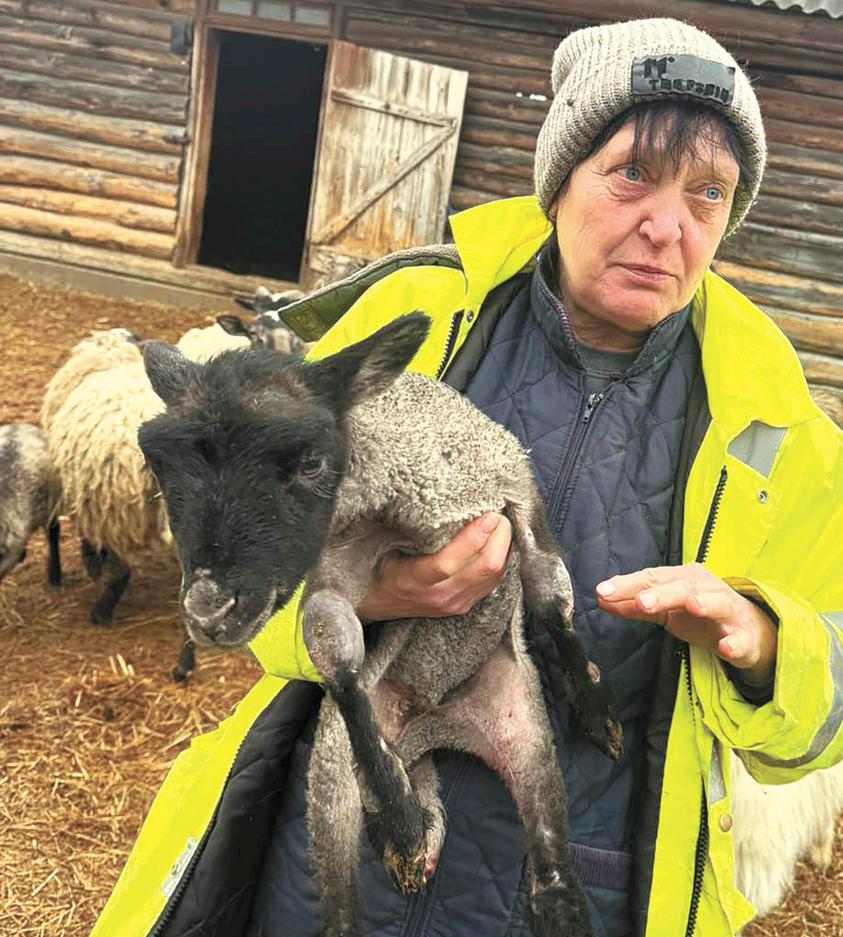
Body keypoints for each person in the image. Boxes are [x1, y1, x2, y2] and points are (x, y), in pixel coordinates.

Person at [92, 17, 843, 937]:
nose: (665, 225)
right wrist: (359, 597)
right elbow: (240, 554)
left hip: (576, 885)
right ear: (559, 181)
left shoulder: (774, 428)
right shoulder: (412, 323)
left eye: (708, 193)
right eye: (631, 173)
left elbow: (830, 689)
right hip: (333, 860)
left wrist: (763, 641)